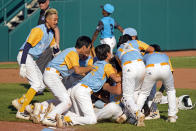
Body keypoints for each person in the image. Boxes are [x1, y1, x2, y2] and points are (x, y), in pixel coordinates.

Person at [56, 44, 121, 126]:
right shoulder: (107, 65)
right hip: (83, 91)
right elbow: (116, 79)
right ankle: (65, 118)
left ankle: (59, 117)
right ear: (108, 54)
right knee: (92, 120)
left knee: (80, 116)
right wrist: (125, 75)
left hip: (75, 87)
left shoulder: (96, 63)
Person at [12, 8, 60, 120]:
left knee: (42, 85)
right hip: (25, 56)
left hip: (31, 58)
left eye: (57, 20)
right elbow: (27, 47)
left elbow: (55, 49)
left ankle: (19, 102)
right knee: (36, 84)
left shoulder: (50, 33)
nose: (56, 22)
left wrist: (61, 58)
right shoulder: (39, 30)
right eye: (54, 20)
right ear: (47, 20)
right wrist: (23, 65)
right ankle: (21, 110)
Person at [42, 36, 93, 126]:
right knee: (67, 102)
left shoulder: (72, 51)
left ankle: (41, 108)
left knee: (64, 100)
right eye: (89, 48)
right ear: (84, 47)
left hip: (53, 75)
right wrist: (90, 68)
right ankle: (49, 117)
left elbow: (74, 71)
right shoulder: (73, 53)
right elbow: (77, 70)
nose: (90, 50)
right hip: (52, 75)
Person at [116, 29, 154, 126]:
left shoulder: (118, 50)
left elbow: (121, 65)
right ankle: (129, 116)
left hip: (129, 67)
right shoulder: (136, 42)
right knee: (136, 92)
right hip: (141, 65)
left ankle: (137, 113)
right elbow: (151, 49)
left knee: (126, 96)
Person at [136, 44, 178, 123]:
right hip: (165, 68)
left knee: (144, 93)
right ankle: (172, 116)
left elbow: (141, 71)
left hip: (151, 69)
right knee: (171, 91)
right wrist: (162, 90)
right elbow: (171, 71)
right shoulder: (165, 55)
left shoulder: (146, 55)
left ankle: (136, 114)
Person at [36, 0, 61, 95]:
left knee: (38, 66)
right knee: (51, 67)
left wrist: (57, 43)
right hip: (45, 45)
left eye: (42, 2)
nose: (40, 4)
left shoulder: (50, 13)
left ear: (47, 2)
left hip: (49, 45)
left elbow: (56, 29)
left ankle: (40, 88)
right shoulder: (43, 12)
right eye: (39, 2)